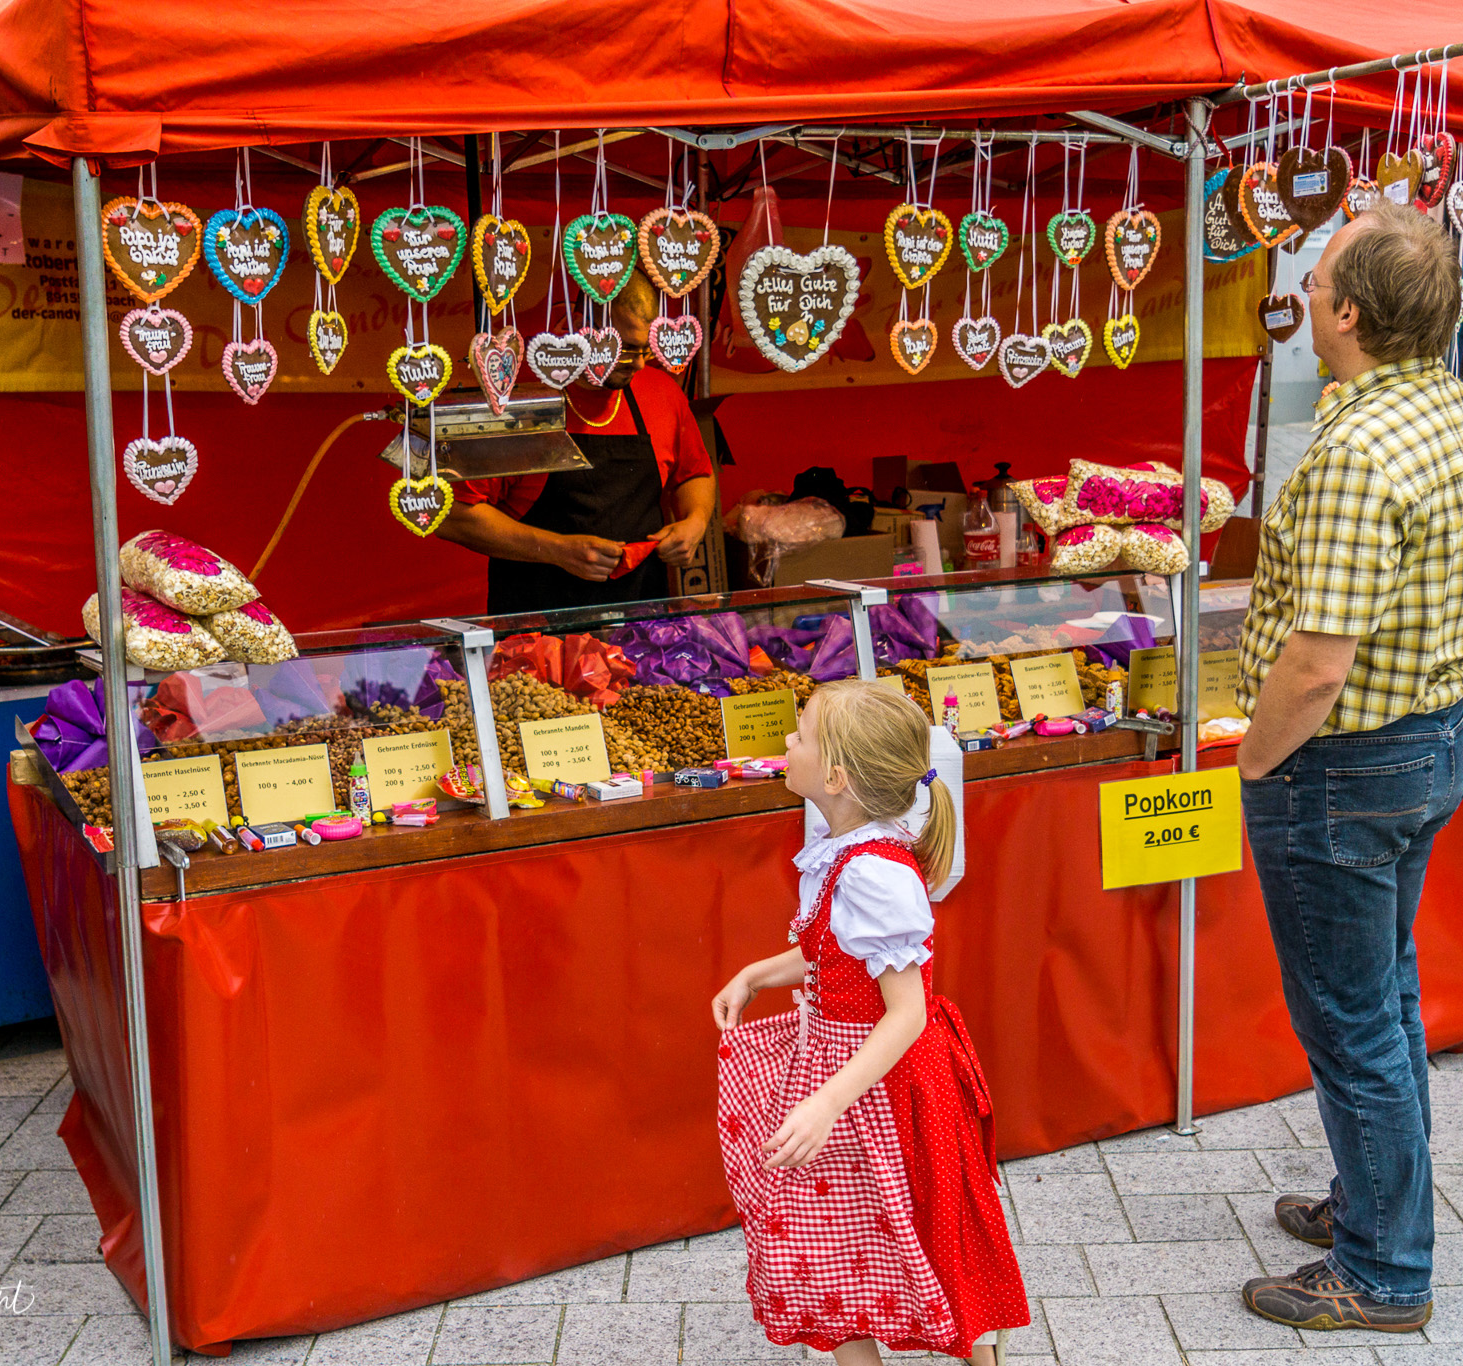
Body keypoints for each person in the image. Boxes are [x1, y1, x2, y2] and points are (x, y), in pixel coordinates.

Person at [1231, 203, 1463, 1332]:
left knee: (1351, 1022)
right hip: (1428, 735)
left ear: (1344, 311)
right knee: (1382, 1002)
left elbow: (1314, 660)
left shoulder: (1354, 449)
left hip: (1340, 761)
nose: (1303, 297)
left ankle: (1384, 1269)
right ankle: (1371, 1202)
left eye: (1317, 279)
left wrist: (1256, 763)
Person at [711, 681, 1027, 1365]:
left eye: (799, 735)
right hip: (845, 1074)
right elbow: (835, 949)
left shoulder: (871, 873)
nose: (785, 745)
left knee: (933, 1237)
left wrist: (826, 1101)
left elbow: (906, 1011)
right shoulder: (842, 851)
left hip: (888, 1088)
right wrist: (758, 974)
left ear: (836, 775)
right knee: (827, 1243)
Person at [437, 271, 717, 614]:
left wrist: (695, 521)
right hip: (538, 630)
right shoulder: (517, 401)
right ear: (583, 328)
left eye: (646, 349)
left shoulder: (661, 393)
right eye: (627, 349)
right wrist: (556, 550)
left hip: (643, 626)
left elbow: (694, 474)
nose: (641, 363)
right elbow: (454, 515)